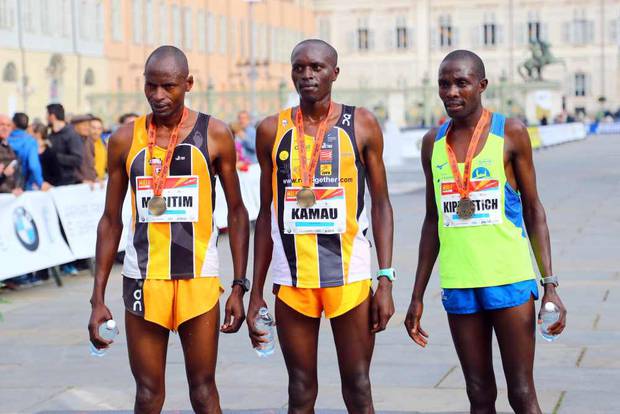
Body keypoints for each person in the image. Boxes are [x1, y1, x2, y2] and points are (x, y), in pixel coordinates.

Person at [88, 46, 249, 413]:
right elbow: (110, 220)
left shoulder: (215, 134)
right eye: (150, 86)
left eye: (168, 86)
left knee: (203, 390)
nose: (158, 95)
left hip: (198, 278)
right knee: (147, 394)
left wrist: (240, 285)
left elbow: (238, 212)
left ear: (188, 84)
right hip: (143, 278)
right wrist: (97, 297)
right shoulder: (124, 139)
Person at [404, 50, 567, 414]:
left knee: (522, 394)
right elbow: (433, 221)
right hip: (460, 283)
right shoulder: (433, 142)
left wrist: (550, 284)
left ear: (482, 85)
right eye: (444, 84)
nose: (451, 92)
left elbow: (533, 209)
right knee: (478, 394)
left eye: (461, 83)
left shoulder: (510, 133)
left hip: (508, 280)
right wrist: (416, 294)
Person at [247, 39, 395, 413]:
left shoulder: (360, 123)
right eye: (300, 67)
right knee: (300, 390)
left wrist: (386, 279)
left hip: (350, 276)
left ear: (335, 73)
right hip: (293, 280)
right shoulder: (270, 129)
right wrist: (255, 291)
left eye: (317, 67)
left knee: (358, 387)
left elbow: (381, 203)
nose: (308, 75)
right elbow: (265, 214)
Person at [8, 112, 48, 191]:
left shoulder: (5, 140)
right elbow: (33, 165)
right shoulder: (30, 141)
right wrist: (40, 182)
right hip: (25, 186)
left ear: (13, 124)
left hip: (5, 184)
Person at [46, 103, 83, 185]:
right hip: (51, 183)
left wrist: (55, 157)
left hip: (67, 183)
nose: (46, 118)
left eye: (47, 115)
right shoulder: (50, 136)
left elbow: (77, 159)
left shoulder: (72, 135)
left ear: (52, 116)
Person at [31, 122, 63, 186]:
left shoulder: (50, 152)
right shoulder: (30, 149)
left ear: (38, 134)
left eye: (30, 132)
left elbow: (57, 176)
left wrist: (43, 183)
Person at [0, 114, 22, 194]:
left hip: (10, 199)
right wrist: (3, 174)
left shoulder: (8, 146)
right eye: (2, 124)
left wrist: (18, 188)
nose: (5, 128)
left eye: (8, 125)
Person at [72, 114, 98, 183]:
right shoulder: (72, 142)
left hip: (92, 183)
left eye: (89, 125)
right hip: (78, 184)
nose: (87, 128)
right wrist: (81, 180)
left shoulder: (89, 140)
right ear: (75, 127)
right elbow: (71, 167)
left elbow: (92, 163)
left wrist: (96, 177)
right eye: (84, 125)